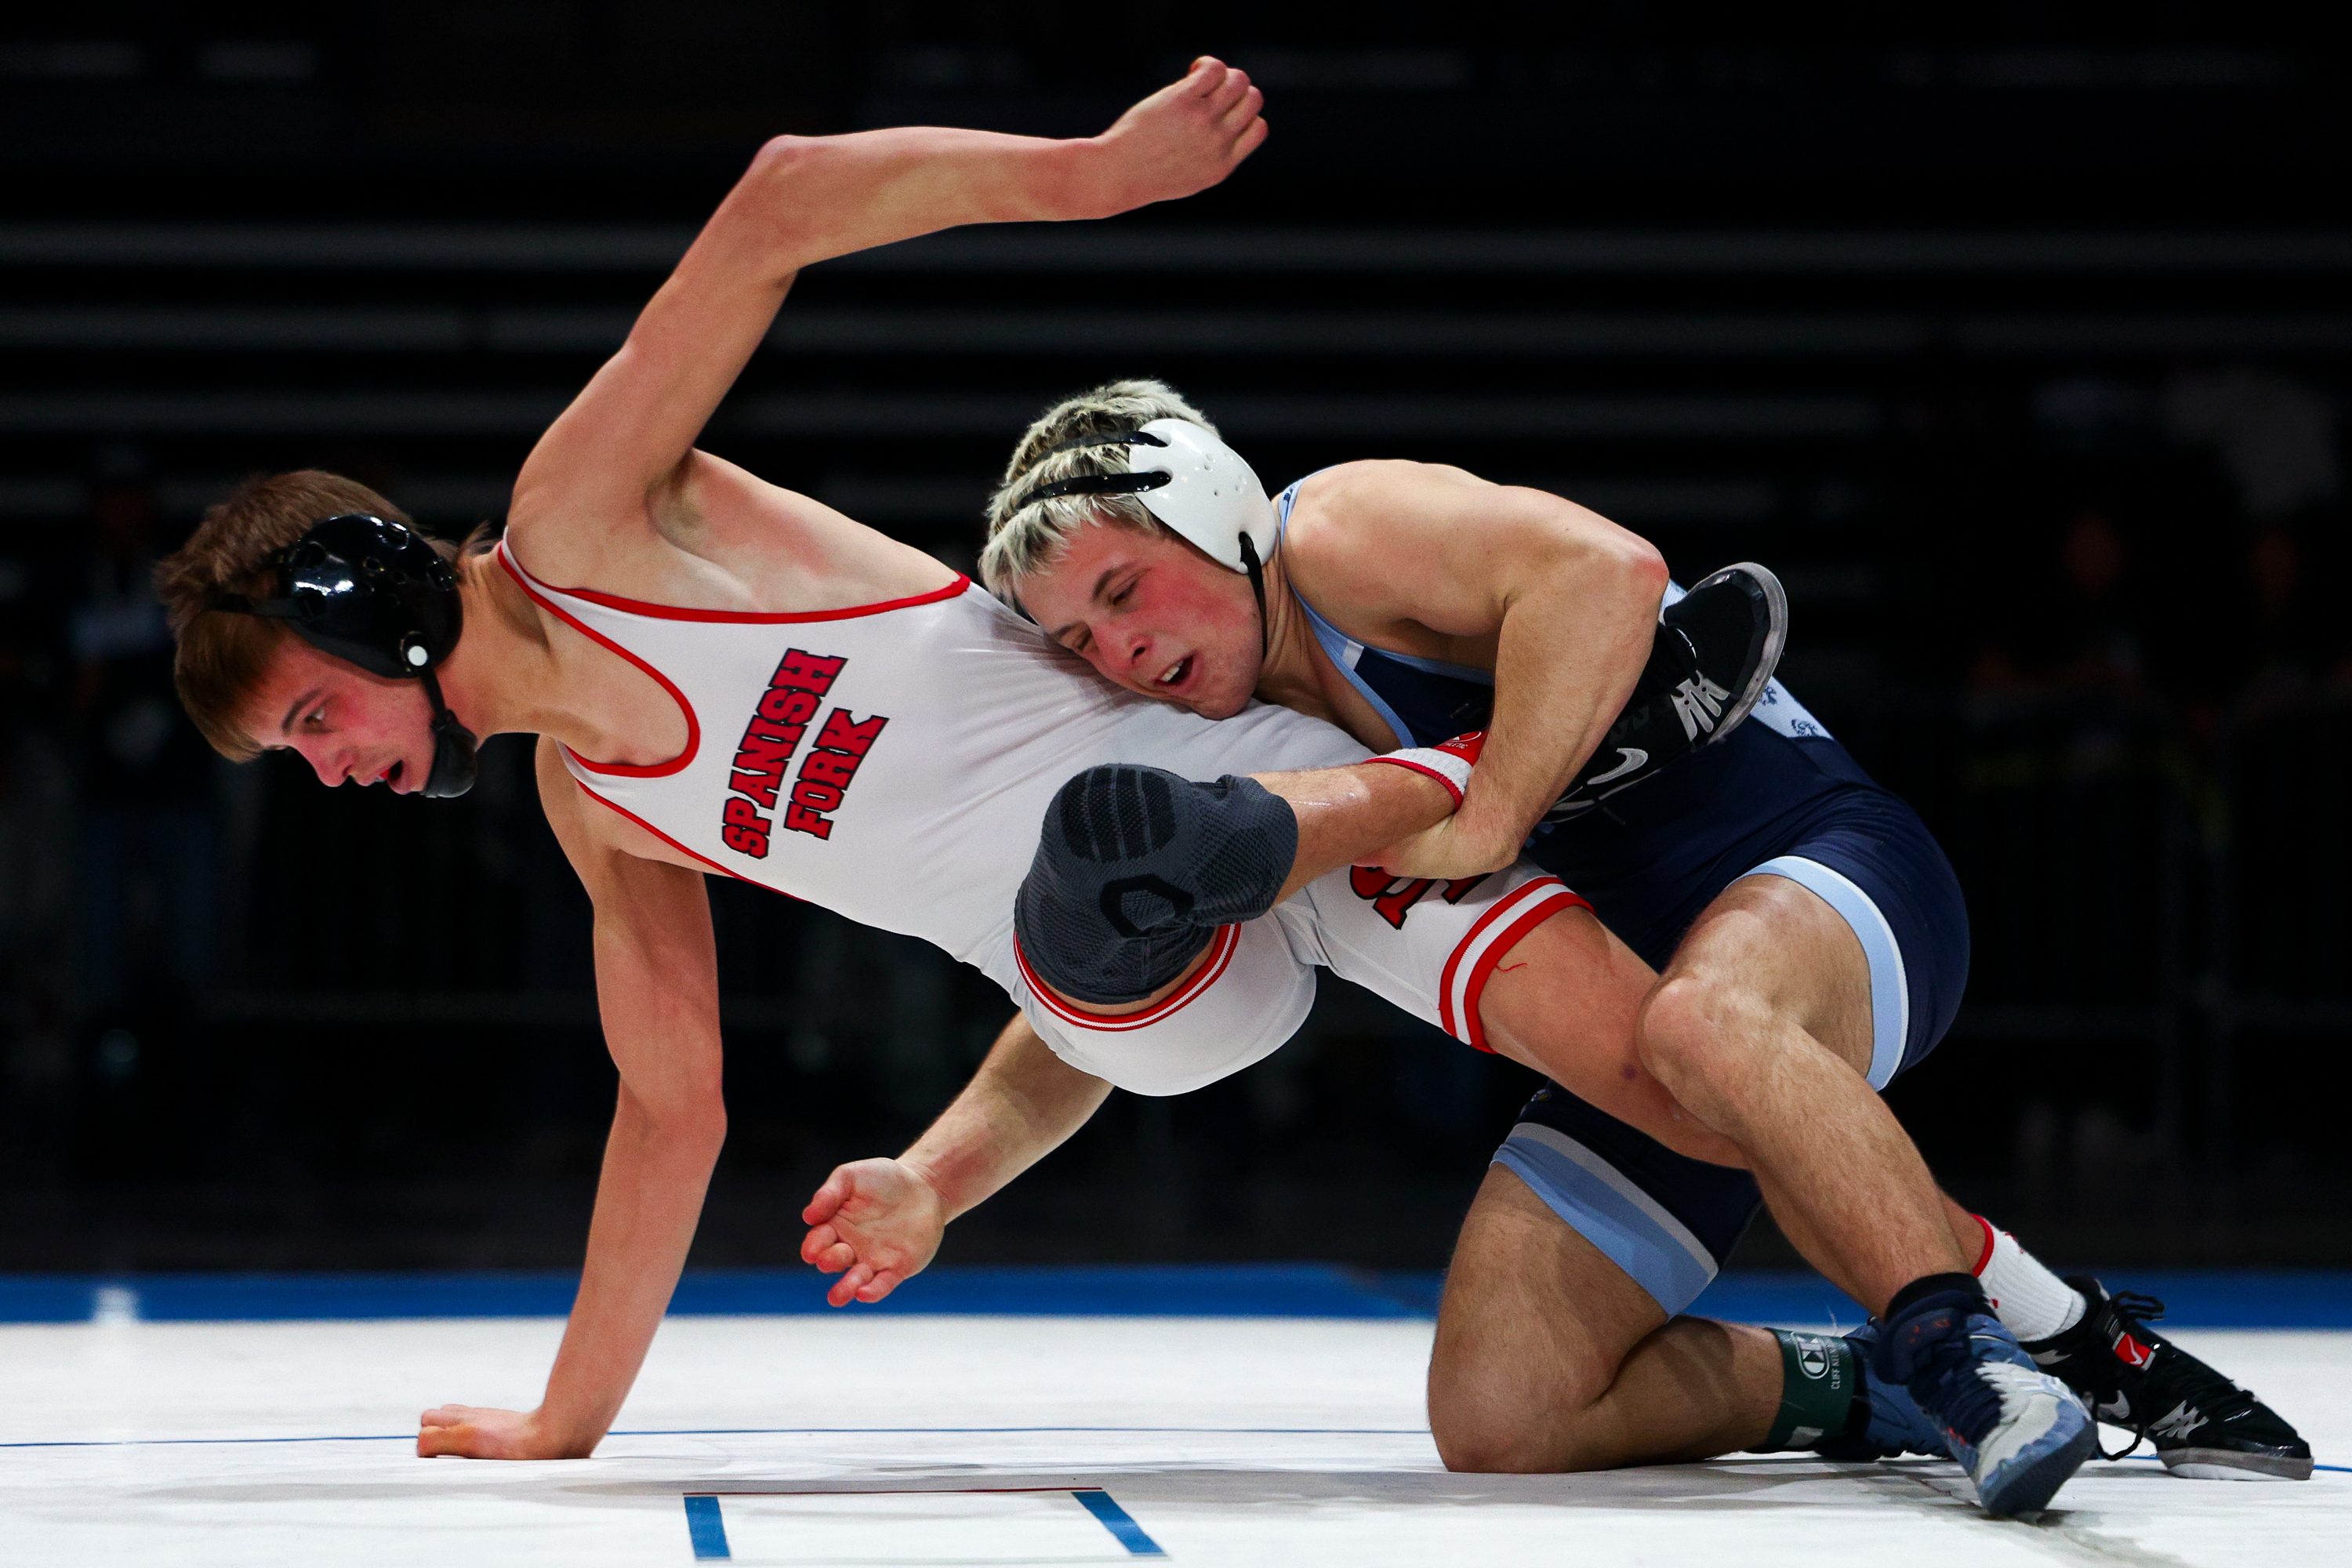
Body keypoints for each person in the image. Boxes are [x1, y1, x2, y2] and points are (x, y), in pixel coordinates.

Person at [147, 60, 1842, 1486]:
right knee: (1093, 893)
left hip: (1267, 796)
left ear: (373, 618)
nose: (331, 770)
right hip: (1134, 989)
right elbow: (672, 1108)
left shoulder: (584, 522)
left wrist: (1098, 178)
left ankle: (1947, 1334)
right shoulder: (601, 810)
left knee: (1687, 1095)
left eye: (311, 722)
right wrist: (566, 1418)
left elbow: (786, 193)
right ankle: (1497, 762)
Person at [805, 379, 2306, 1487]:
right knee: (1508, 1411)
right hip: (1641, 1019)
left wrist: (1494, 807)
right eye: (1079, 640)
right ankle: (1902, 1383)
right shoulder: (1232, 745)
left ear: (1211, 512)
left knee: (1703, 1025)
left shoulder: (1336, 537)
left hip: (1817, 875)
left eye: (1124, 590)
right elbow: (1114, 973)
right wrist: (938, 1179)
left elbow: (1609, 570)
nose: (1119, 650)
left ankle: (1966, 1356)